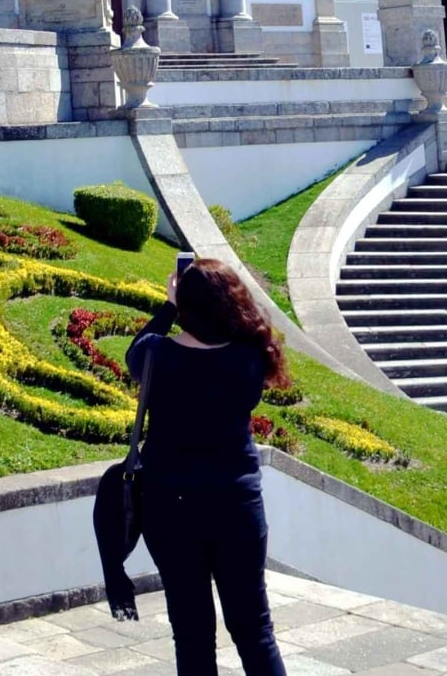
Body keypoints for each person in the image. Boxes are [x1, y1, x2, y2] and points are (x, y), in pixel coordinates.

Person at [125, 259, 290, 676]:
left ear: (185, 303)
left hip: (170, 508)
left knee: (192, 634)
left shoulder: (155, 354)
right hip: (236, 506)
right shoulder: (248, 359)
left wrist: (169, 306)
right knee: (255, 631)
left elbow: (134, 353)